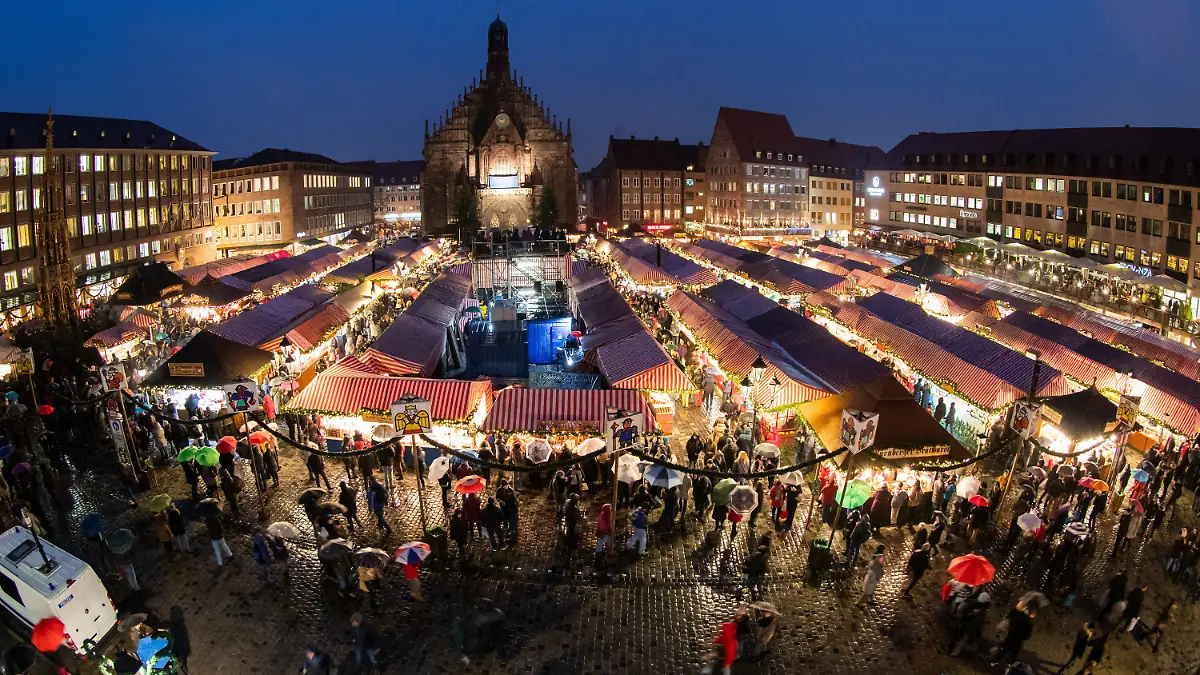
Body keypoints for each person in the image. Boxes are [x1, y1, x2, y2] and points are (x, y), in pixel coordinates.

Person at [170, 606, 191, 674]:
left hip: (180, 651)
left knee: (182, 666)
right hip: (180, 651)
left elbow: (180, 638)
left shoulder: (178, 626)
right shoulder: (177, 625)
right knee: (182, 666)